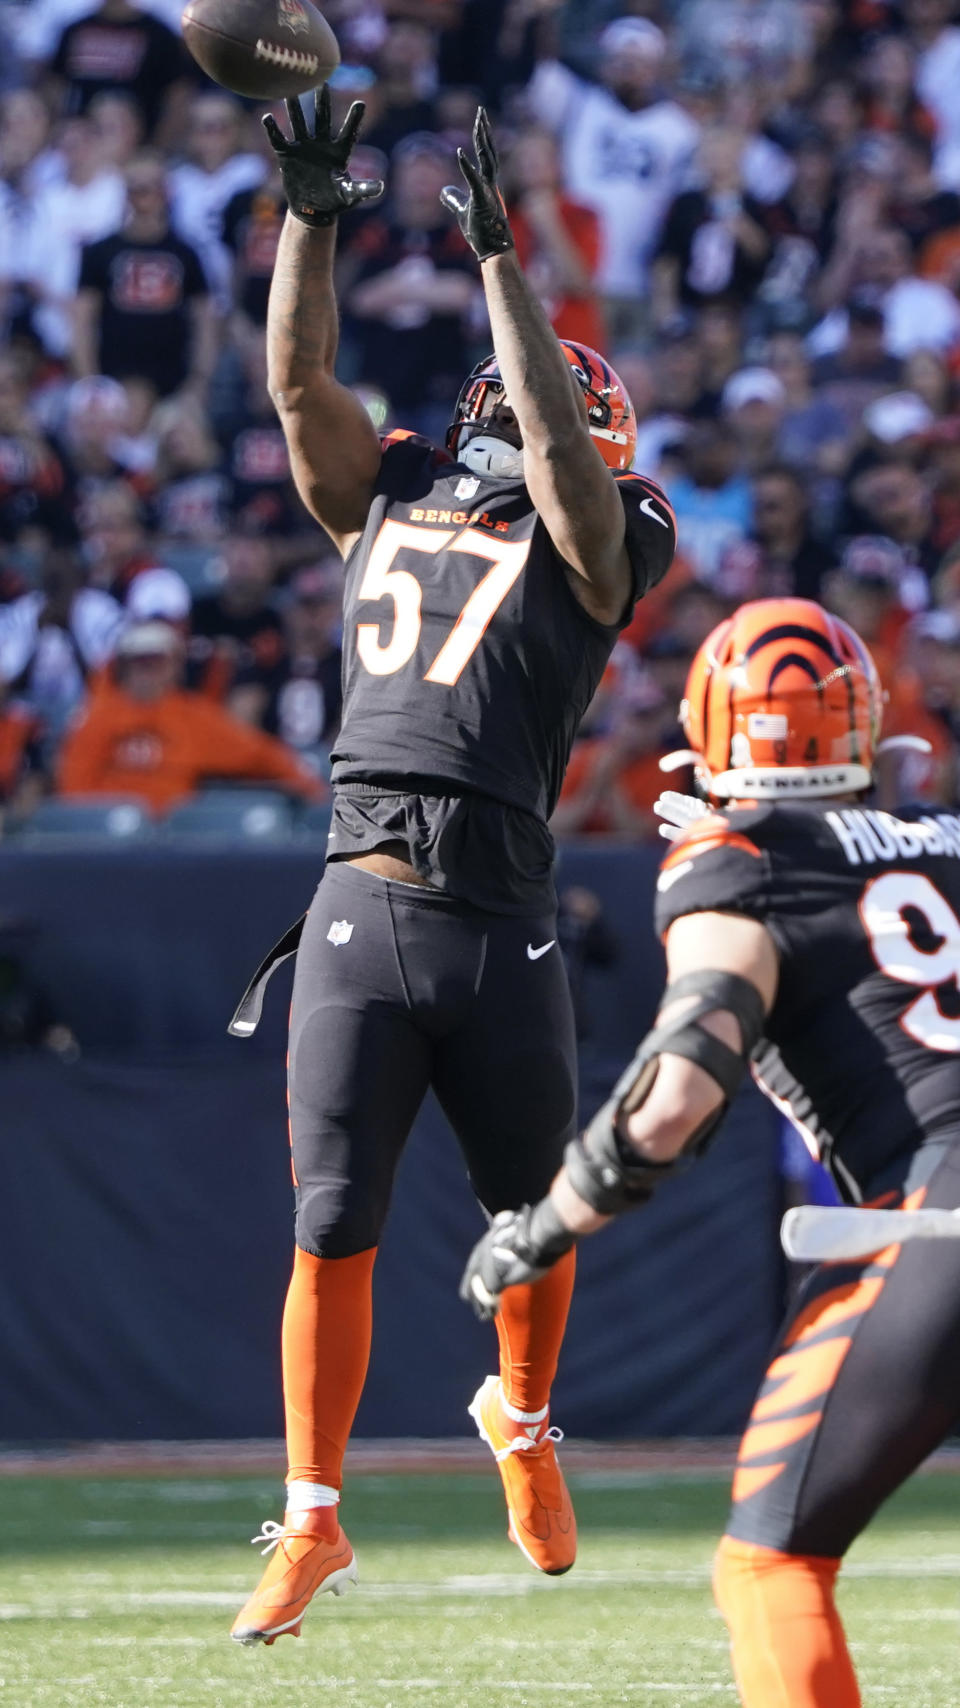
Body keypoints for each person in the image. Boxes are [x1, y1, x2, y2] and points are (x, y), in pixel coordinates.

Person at [226, 90, 676, 1646]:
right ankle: (313, 1517)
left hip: (500, 910)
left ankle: (525, 1421)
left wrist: (504, 267)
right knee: (331, 1218)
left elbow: (565, 471)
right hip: (365, 887)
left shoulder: (603, 528)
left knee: (538, 1209)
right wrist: (310, 216)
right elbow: (296, 386)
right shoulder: (402, 475)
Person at [461, 594, 960, 1708]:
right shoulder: (945, 837)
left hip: (937, 1220)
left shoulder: (734, 862)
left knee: (772, 1564)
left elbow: (673, 1098)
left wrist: (539, 1230)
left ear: (708, 729)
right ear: (865, 725)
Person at [57, 619, 323, 812]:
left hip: (172, 843)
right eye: (139, 662)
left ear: (174, 666)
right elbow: (74, 789)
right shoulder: (97, 717)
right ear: (123, 668)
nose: (148, 671)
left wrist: (309, 787)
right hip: (106, 844)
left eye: (157, 662)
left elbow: (258, 754)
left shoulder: (193, 716)